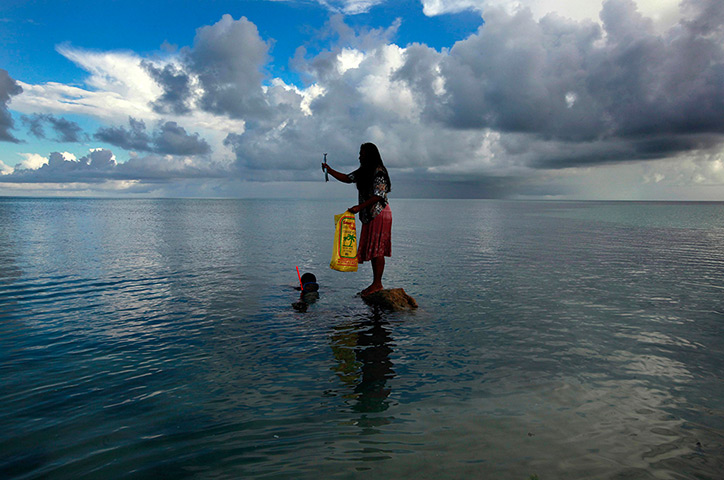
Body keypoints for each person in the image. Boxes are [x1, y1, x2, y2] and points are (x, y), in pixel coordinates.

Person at [322, 142, 392, 296]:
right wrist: (330, 170)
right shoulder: (365, 171)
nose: (359, 156)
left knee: (378, 248)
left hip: (379, 213)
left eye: (362, 153)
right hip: (371, 214)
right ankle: (375, 283)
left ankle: (377, 284)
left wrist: (359, 207)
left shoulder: (378, 172)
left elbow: (379, 195)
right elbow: (348, 178)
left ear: (369, 155)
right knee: (374, 249)